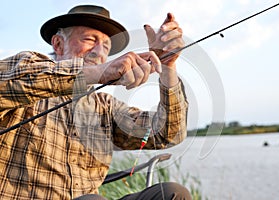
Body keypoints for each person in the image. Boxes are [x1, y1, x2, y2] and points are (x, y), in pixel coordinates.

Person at [0, 5, 191, 200]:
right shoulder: (26, 70)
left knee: (172, 193)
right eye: (89, 39)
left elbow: (168, 133)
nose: (99, 51)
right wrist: (99, 72)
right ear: (58, 44)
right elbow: (12, 80)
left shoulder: (106, 107)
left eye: (106, 47)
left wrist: (167, 66)